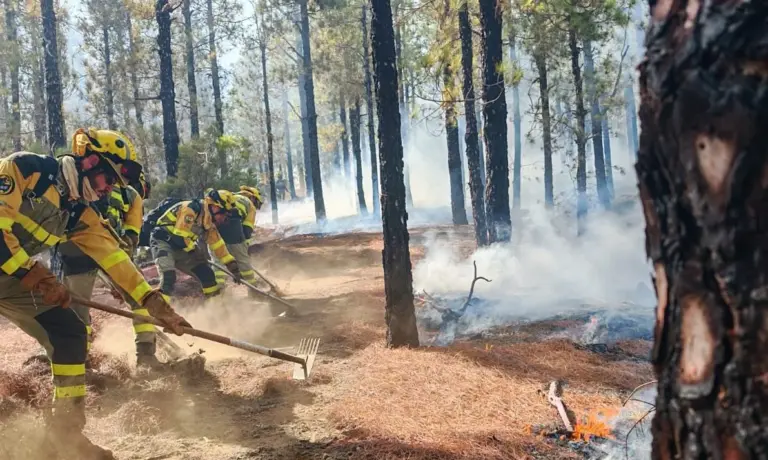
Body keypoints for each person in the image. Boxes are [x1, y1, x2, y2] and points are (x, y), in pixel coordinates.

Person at [0, 137, 190, 459]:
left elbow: (115, 259)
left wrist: (154, 303)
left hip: (8, 278)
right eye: (109, 180)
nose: (108, 190)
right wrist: (37, 275)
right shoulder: (24, 169)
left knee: (71, 333)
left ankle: (65, 437)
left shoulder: (79, 213)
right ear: (90, 163)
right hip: (14, 270)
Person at [56, 129, 162, 369]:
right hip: (87, 252)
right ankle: (145, 354)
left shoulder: (88, 185)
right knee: (86, 306)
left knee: (78, 308)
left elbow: (131, 237)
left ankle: (83, 359)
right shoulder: (127, 195)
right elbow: (131, 236)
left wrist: (121, 276)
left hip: (90, 252)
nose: (113, 185)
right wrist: (123, 269)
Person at [149, 191, 240, 300]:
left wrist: (232, 266)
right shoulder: (191, 209)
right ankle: (160, 311)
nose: (225, 218)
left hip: (183, 248)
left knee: (207, 274)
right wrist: (195, 250)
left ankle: (216, 306)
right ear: (215, 207)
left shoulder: (209, 223)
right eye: (224, 213)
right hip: (163, 241)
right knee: (168, 277)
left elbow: (218, 246)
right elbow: (180, 236)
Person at [207, 187, 263, 296]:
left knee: (217, 262)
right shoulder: (250, 205)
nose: (256, 205)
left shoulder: (228, 197)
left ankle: (219, 292)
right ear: (252, 197)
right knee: (243, 261)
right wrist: (243, 248)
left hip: (214, 223)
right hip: (232, 223)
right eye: (256, 201)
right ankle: (254, 291)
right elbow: (246, 231)